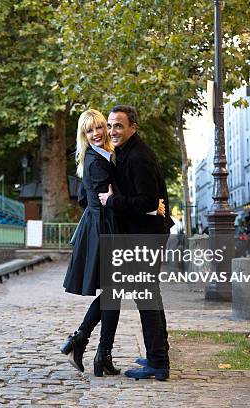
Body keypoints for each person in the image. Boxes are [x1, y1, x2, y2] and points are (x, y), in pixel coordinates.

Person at [98, 105, 173, 381]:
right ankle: (158, 355)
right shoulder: (126, 153)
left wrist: (111, 201)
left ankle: (158, 362)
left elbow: (148, 202)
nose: (112, 131)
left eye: (118, 125)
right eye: (110, 125)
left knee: (146, 296)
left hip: (147, 235)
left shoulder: (138, 157)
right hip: (145, 234)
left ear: (133, 128)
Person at [60, 109, 123, 377]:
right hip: (103, 230)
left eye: (99, 127)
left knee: (113, 292)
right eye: (89, 130)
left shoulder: (101, 156)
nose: (96, 133)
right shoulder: (96, 161)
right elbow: (100, 201)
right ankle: (95, 350)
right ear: (83, 135)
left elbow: (84, 199)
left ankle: (86, 344)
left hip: (102, 228)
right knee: (114, 291)